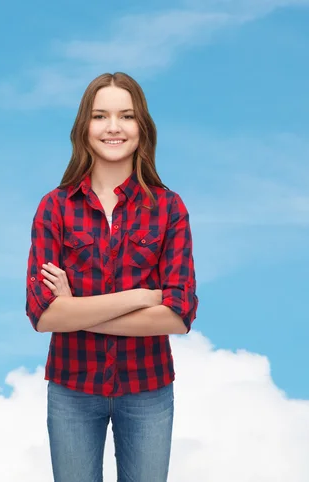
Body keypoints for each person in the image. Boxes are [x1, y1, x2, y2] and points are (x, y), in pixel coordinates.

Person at [25, 72, 199, 482]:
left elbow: (178, 316)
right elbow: (43, 315)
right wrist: (141, 295)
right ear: (84, 127)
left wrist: (77, 312)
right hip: (72, 390)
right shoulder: (55, 207)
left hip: (148, 390)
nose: (114, 127)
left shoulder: (169, 209)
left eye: (127, 115)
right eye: (101, 116)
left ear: (143, 128)